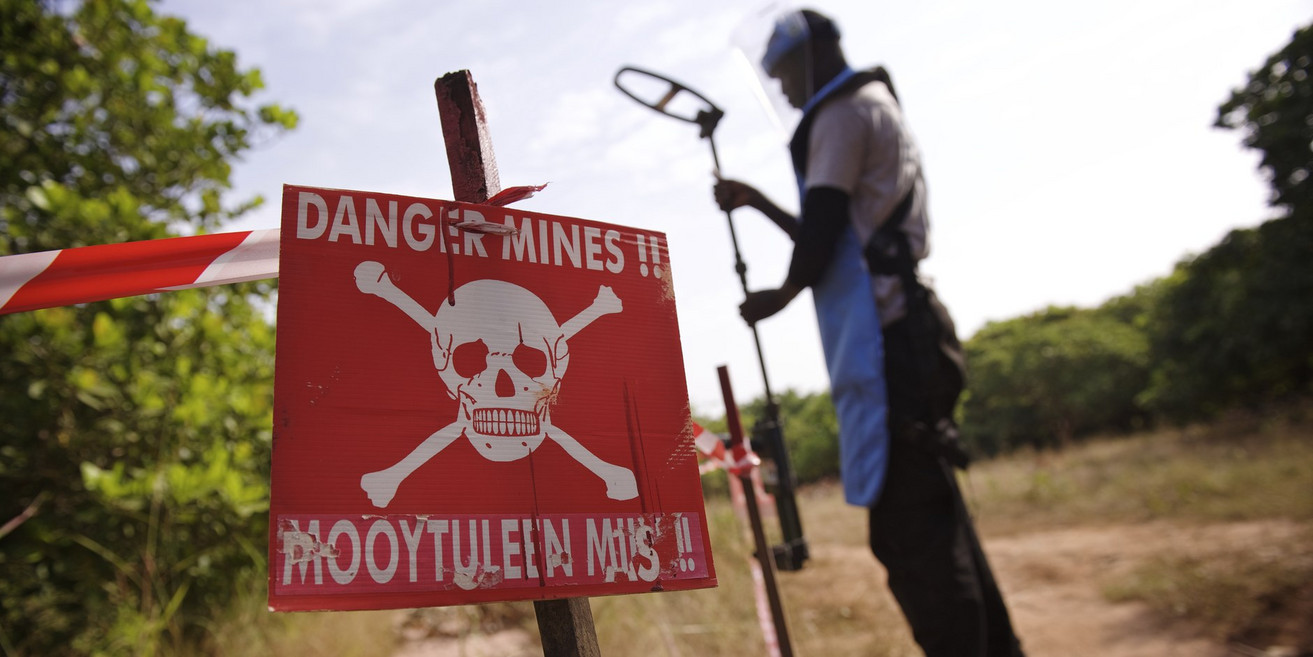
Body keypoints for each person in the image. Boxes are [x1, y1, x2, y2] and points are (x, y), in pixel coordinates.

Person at [714, 9, 1026, 657]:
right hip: (914, 332)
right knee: (938, 521)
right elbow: (838, 228)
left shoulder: (840, 114)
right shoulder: (871, 103)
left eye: (785, 75)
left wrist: (780, 294)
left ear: (815, 53)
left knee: (910, 533)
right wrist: (759, 203)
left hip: (894, 345)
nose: (786, 92)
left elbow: (824, 230)